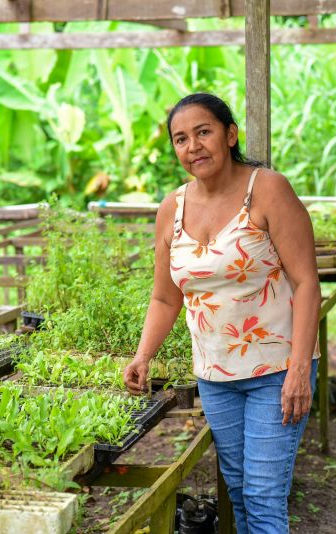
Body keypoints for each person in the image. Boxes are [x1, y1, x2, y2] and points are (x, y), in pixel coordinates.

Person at [123, 93, 321, 533]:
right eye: (180, 138)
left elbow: (307, 283)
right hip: (216, 377)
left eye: (203, 132)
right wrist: (142, 355)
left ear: (230, 135)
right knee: (239, 491)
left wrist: (298, 370)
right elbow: (165, 298)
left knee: (263, 496)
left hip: (277, 369)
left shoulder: (268, 190)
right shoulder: (171, 209)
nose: (192, 145)